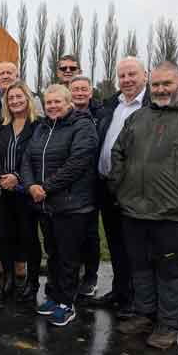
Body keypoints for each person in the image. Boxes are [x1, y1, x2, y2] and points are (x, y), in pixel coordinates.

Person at [111, 61, 178, 349]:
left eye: (166, 84)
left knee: (170, 272)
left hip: (172, 213)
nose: (160, 89)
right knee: (140, 267)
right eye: (156, 85)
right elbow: (118, 151)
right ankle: (145, 314)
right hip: (133, 209)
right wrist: (121, 186)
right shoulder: (139, 117)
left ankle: (169, 324)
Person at [21, 84, 98, 326]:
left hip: (71, 205)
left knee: (68, 257)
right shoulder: (42, 127)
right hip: (46, 204)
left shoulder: (83, 126)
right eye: (49, 102)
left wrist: (46, 188)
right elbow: (27, 158)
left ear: (69, 103)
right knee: (53, 253)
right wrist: (31, 184)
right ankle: (54, 296)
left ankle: (67, 303)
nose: (52, 106)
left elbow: (77, 163)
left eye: (57, 102)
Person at [92, 57, 151, 318]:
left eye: (132, 74)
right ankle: (120, 291)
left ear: (145, 76)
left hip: (133, 188)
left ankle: (135, 300)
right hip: (107, 185)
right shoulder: (113, 105)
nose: (126, 80)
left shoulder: (151, 107)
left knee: (134, 246)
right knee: (115, 242)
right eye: (122, 75)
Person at [0, 80, 42, 302]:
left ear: (28, 99)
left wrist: (17, 177)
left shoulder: (38, 126)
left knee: (29, 238)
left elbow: (37, 157)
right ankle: (8, 280)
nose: (15, 101)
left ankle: (32, 282)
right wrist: (1, 178)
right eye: (11, 98)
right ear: (6, 103)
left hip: (26, 192)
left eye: (20, 97)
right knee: (4, 237)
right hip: (2, 191)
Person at [69, 76, 107, 297]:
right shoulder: (64, 114)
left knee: (91, 233)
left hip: (94, 182)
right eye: (76, 89)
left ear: (91, 93)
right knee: (70, 234)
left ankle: (90, 276)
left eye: (84, 89)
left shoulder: (101, 115)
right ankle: (72, 274)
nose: (80, 93)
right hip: (69, 183)